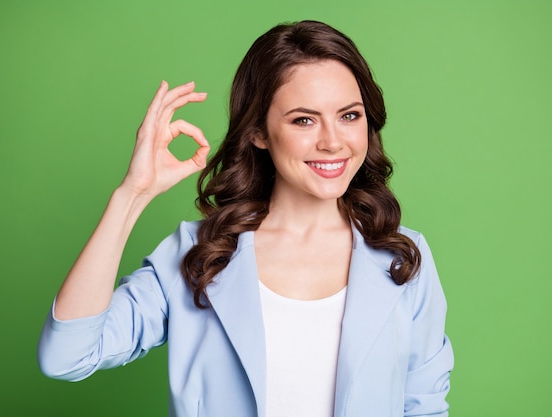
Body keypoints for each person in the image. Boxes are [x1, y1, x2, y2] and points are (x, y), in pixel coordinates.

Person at [38, 20, 453, 417]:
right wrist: (132, 195)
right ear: (258, 132)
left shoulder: (403, 258)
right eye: (304, 120)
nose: (332, 142)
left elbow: (424, 407)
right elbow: (68, 356)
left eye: (349, 116)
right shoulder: (198, 254)